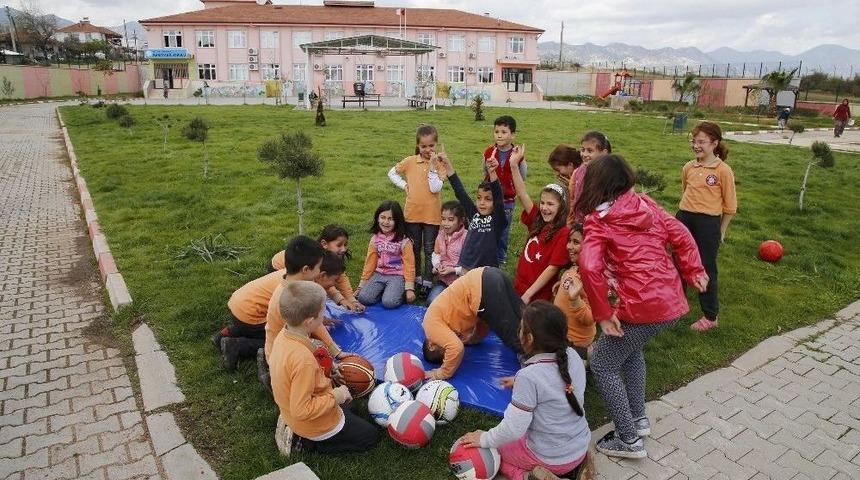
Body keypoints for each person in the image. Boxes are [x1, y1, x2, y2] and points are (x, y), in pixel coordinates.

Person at [575, 154, 707, 459]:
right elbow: (681, 235)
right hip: (670, 300)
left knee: (603, 363)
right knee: (632, 352)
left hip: (642, 305)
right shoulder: (646, 204)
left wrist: (604, 315)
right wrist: (694, 270)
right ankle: (638, 418)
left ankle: (628, 438)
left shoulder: (599, 220)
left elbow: (589, 265)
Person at [459, 301, 590, 480]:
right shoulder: (573, 357)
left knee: (494, 454)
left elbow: (513, 429)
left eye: (521, 328)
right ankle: (578, 471)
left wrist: (484, 439)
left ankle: (532, 477)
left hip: (550, 458)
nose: (518, 332)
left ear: (529, 339)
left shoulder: (529, 377)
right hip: (579, 447)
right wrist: (520, 382)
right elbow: (554, 383)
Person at [271, 281, 379, 457]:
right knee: (370, 437)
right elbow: (302, 410)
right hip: (312, 424)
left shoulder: (285, 336)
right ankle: (306, 443)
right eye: (323, 311)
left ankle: (297, 425)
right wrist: (336, 395)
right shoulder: (303, 361)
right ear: (309, 321)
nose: (324, 315)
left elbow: (305, 362)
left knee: (351, 406)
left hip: (294, 405)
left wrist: (329, 367)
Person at [260, 237, 346, 388]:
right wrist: (327, 369)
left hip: (287, 347)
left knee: (322, 353)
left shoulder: (298, 286)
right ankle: (274, 379)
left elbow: (314, 323)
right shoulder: (289, 299)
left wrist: (333, 351)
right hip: (282, 358)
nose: (320, 271)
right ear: (306, 269)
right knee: (318, 377)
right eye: (319, 267)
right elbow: (301, 344)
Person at [677, 122, 737, 332]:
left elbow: (730, 207)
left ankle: (711, 316)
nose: (696, 145)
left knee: (704, 267)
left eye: (701, 141)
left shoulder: (723, 171)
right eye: (694, 141)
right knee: (677, 263)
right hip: (684, 218)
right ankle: (675, 307)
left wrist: (721, 231)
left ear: (714, 143)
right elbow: (686, 191)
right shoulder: (688, 167)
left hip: (708, 223)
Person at [422, 267, 523, 380]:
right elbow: (484, 321)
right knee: (524, 320)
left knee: (514, 338)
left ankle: (537, 368)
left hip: (484, 288)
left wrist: (442, 373)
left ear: (431, 345)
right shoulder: (447, 319)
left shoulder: (430, 326)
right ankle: (542, 347)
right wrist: (473, 339)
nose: (447, 344)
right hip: (489, 274)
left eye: (444, 350)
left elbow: (455, 348)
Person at [388, 124, 447, 293]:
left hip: (432, 216)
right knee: (414, 248)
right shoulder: (410, 161)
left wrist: (434, 167)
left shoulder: (440, 164)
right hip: (412, 215)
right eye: (423, 146)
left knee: (430, 250)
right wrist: (404, 184)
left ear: (436, 144)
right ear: (417, 146)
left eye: (431, 145)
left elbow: (435, 188)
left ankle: (427, 282)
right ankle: (416, 278)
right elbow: (392, 173)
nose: (427, 149)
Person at [509, 146, 570, 304]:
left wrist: (529, 294)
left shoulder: (562, 233)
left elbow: (552, 268)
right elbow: (522, 193)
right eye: (542, 202)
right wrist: (514, 165)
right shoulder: (537, 220)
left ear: (561, 207)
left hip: (536, 296)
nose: (544, 207)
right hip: (518, 288)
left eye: (550, 204)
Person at [436, 152, 507, 271]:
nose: (482, 202)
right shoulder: (474, 214)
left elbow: (498, 199)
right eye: (479, 198)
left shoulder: (498, 220)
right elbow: (460, 192)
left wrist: (492, 172)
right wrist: (447, 164)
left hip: (486, 271)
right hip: (466, 268)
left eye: (488, 199)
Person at [270, 224, 364, 313]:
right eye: (339, 245)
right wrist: (340, 299)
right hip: (278, 267)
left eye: (345, 244)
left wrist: (351, 299)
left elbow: (340, 277)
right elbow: (323, 282)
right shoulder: (314, 259)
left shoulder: (329, 258)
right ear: (324, 244)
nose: (343, 249)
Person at [212, 268, 284, 371]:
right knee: (280, 339)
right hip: (250, 316)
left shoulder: (291, 271)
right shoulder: (302, 287)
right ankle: (237, 346)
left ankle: (227, 334)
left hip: (237, 305)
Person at [482, 115, 527, 265]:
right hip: (490, 198)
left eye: (504, 132)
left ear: (513, 134)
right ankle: (487, 253)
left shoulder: (518, 156)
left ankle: (501, 258)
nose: (499, 135)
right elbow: (485, 172)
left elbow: (522, 176)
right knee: (487, 226)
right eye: (496, 132)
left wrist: (514, 190)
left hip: (507, 201)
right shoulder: (488, 152)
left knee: (503, 230)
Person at [356, 200, 416, 308]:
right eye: (382, 217)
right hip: (379, 273)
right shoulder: (375, 239)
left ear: (397, 221)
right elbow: (370, 262)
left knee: (389, 302)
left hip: (397, 275)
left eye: (391, 219)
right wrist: (361, 285)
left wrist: (409, 288)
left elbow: (409, 265)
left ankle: (396, 291)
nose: (386, 222)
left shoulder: (404, 241)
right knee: (363, 298)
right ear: (377, 218)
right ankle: (385, 290)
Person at [553, 225, 594, 362]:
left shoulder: (591, 279)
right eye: (569, 241)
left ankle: (587, 355)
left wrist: (574, 299)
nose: (569, 246)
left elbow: (589, 319)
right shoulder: (576, 266)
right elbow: (572, 280)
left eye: (576, 242)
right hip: (560, 333)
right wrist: (562, 285)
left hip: (573, 341)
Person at [568, 131, 612, 227]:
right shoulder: (578, 171)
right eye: (582, 150)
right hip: (578, 221)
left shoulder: (609, 175)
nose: (584, 154)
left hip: (600, 224)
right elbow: (572, 198)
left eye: (590, 151)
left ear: (603, 153)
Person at [428, 200, 467, 303]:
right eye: (443, 219)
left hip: (461, 281)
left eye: (450, 220)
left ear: (461, 221)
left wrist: (453, 270)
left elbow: (470, 265)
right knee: (432, 302)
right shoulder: (440, 235)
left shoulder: (466, 237)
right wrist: (436, 265)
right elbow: (436, 254)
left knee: (457, 306)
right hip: (443, 280)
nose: (445, 223)